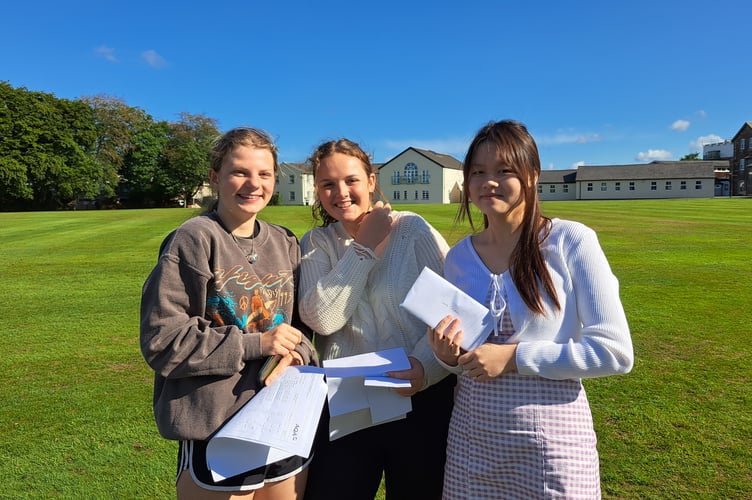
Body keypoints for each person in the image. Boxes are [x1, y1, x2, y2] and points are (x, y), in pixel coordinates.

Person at [428, 120, 634, 499]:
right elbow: (461, 355)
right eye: (478, 172)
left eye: (504, 170)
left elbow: (615, 352)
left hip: (551, 443)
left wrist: (515, 357)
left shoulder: (571, 241)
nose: (489, 181)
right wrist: (447, 356)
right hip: (472, 442)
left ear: (532, 175)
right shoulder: (459, 258)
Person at [140, 127, 317, 499]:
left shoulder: (285, 242)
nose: (253, 184)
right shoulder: (194, 239)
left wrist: (295, 352)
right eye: (239, 172)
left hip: (280, 416)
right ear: (214, 177)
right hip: (216, 420)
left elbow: (299, 329)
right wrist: (257, 343)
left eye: (264, 174)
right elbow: (163, 339)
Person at [298, 138, 456, 500]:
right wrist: (364, 248)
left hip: (420, 397)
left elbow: (448, 315)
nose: (341, 192)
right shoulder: (318, 242)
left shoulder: (412, 230)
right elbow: (323, 319)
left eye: (351, 180)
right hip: (349, 402)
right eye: (327, 184)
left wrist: (425, 368)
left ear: (371, 181)